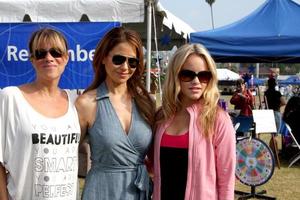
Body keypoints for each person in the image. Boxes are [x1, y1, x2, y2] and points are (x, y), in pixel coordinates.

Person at [0, 28, 81, 200]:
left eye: (56, 52)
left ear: (66, 58)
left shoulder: (76, 101)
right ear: (32, 59)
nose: (49, 58)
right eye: (40, 53)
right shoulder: (11, 97)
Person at [75, 27, 155, 200]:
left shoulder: (147, 102)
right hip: (101, 191)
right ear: (103, 58)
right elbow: (67, 155)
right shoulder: (86, 103)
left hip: (139, 192)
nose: (125, 67)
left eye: (132, 62)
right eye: (118, 59)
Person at [152, 44, 236, 200]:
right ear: (175, 75)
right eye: (187, 74)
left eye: (204, 75)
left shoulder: (218, 120)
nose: (196, 81)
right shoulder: (161, 116)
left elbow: (226, 181)